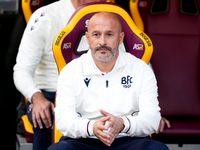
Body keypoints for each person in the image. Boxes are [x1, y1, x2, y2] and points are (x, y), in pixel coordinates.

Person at [48, 12, 169, 150]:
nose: (102, 42)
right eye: (96, 34)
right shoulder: (71, 71)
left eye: (109, 34)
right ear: (87, 38)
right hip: (84, 140)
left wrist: (123, 123)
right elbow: (63, 120)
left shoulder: (141, 69)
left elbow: (152, 119)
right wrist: (91, 127)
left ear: (120, 38)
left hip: (128, 139)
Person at [13, 0, 106, 150]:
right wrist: (37, 98)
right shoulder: (45, 17)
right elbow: (21, 70)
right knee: (43, 118)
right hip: (50, 93)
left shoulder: (111, 16)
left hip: (97, 90)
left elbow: (136, 62)